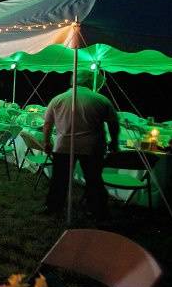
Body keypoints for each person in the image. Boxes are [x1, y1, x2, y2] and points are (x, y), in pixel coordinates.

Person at [43, 70, 119, 219]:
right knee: (93, 179)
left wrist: (46, 142)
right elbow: (113, 124)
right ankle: (96, 210)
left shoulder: (58, 99)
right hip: (92, 147)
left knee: (59, 179)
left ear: (73, 81)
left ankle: (53, 207)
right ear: (91, 82)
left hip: (63, 145)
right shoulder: (101, 100)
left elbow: (47, 124)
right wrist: (114, 142)